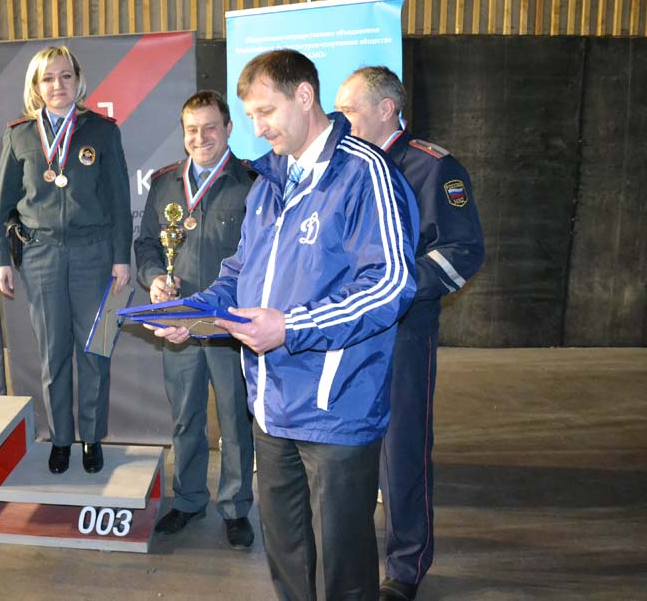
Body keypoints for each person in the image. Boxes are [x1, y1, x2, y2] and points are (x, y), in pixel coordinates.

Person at [149, 50, 418, 601]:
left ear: (304, 96)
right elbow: (239, 274)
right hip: (271, 410)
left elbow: (391, 283)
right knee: (287, 558)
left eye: (266, 111)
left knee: (345, 571)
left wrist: (291, 327)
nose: (258, 127)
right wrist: (193, 315)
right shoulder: (269, 182)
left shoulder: (364, 173)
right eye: (251, 115)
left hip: (336, 410)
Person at [335, 66, 484, 601]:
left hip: (401, 333)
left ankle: (405, 568)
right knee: (343, 452)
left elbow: (462, 251)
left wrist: (394, 289)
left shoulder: (432, 166)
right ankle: (346, 555)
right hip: (345, 333)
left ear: (385, 109)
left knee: (401, 454)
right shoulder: (343, 167)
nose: (339, 119)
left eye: (349, 109)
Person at [0, 45, 132, 475]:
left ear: (78, 80)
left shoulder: (102, 131)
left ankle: (91, 437)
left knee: (95, 351)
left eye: (65, 76)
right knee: (53, 354)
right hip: (41, 255)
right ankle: (61, 439)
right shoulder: (19, 135)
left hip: (95, 254)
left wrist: (121, 258)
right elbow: (3, 204)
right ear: (36, 86)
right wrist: (0, 258)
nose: (58, 85)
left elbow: (119, 200)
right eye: (48, 78)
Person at [134, 90, 256, 550]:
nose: (200, 137)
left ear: (228, 129)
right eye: (191, 129)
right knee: (185, 417)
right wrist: (153, 280)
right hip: (179, 323)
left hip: (229, 325)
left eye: (210, 127)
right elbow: (147, 244)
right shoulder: (165, 183)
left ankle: (236, 507)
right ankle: (188, 500)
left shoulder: (252, 182)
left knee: (234, 418)